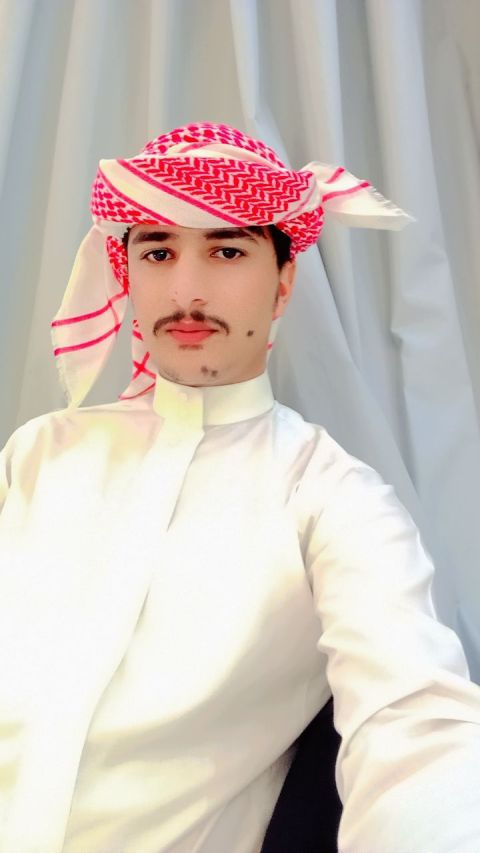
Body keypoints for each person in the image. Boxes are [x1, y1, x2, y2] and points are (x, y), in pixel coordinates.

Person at [1, 122, 480, 853]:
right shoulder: (40, 453)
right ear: (128, 272)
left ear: (283, 283)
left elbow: (415, 723)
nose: (186, 290)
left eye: (227, 250)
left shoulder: (332, 497)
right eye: (158, 251)